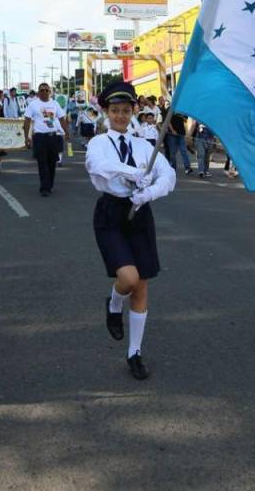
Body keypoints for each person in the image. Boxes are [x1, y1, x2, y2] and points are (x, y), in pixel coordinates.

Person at [85, 82, 176, 380]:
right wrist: (131, 173)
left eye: (126, 110)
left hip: (139, 213)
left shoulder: (143, 146)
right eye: (115, 111)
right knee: (128, 278)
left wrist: (149, 193)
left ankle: (134, 352)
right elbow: (99, 167)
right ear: (106, 112)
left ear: (133, 111)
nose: (121, 116)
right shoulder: (99, 143)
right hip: (111, 213)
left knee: (142, 286)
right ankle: (113, 303)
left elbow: (169, 175)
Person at [23, 82, 68, 196]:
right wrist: (26, 137)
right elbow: (27, 120)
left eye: (46, 90)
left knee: (52, 163)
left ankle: (50, 185)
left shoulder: (55, 103)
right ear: (38, 92)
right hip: (39, 137)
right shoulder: (33, 104)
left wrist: (66, 132)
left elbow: (62, 118)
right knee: (42, 163)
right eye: (42, 90)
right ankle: (44, 187)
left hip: (53, 137)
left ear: (50, 92)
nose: (44, 92)